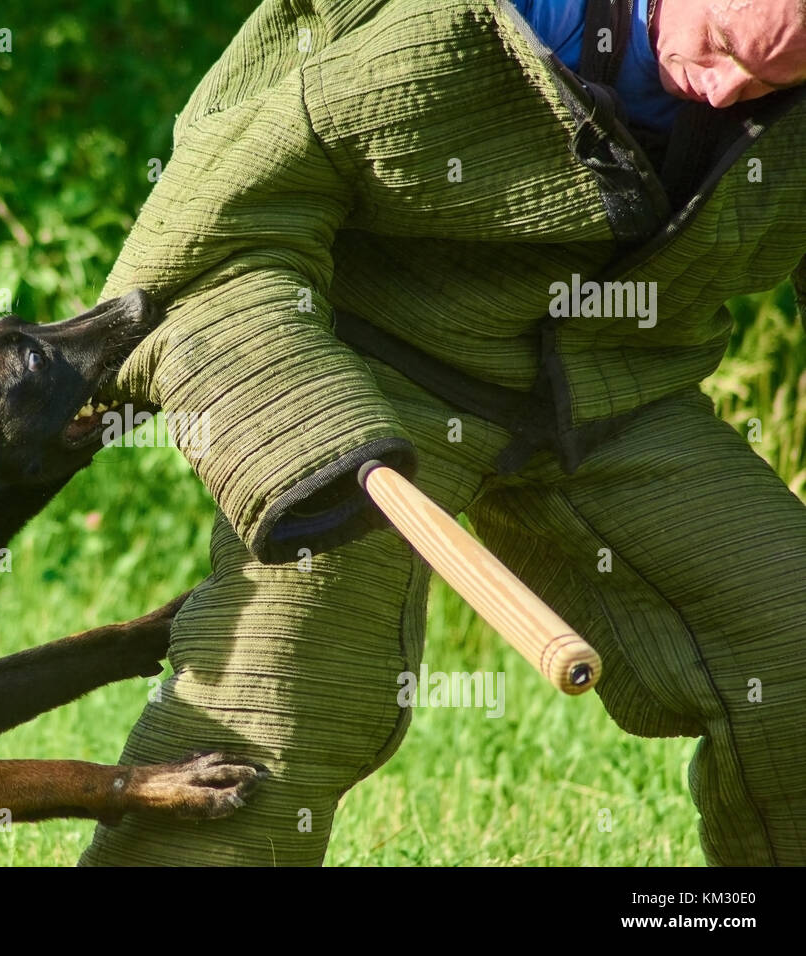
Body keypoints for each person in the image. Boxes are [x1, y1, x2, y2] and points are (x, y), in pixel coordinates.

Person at [78, 0, 806, 866]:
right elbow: (203, 232)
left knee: (791, 659)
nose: (731, 91)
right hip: (360, 379)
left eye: (775, 79)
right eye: (724, 48)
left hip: (616, 396)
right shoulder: (449, 22)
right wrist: (294, 420)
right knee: (270, 716)